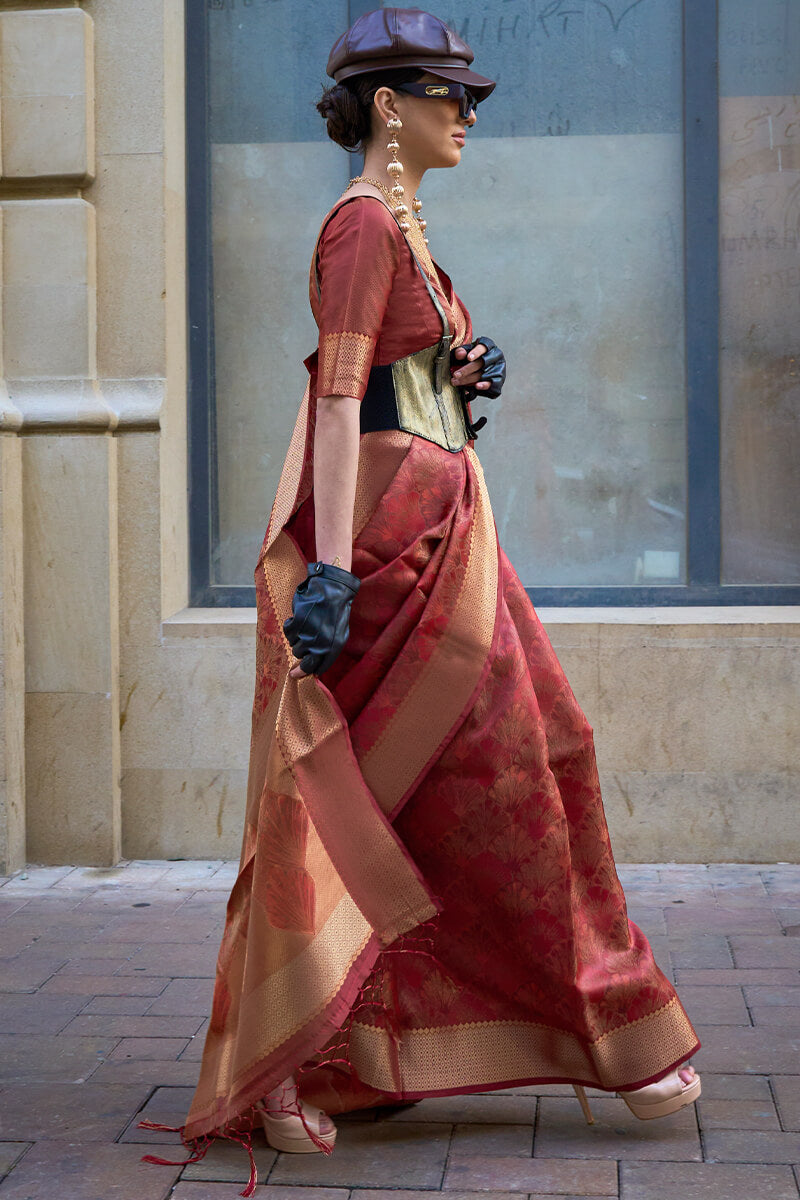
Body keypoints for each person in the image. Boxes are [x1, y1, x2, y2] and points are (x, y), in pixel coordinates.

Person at [139, 8, 701, 1194]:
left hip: (445, 534)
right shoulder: (357, 226)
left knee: (499, 772)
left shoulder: (398, 225)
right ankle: (300, 1065)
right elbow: (340, 404)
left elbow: (395, 384)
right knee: (374, 797)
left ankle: (373, 1054)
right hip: (393, 551)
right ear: (388, 105)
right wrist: (333, 570)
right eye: (449, 94)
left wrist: (454, 367)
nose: (469, 113)